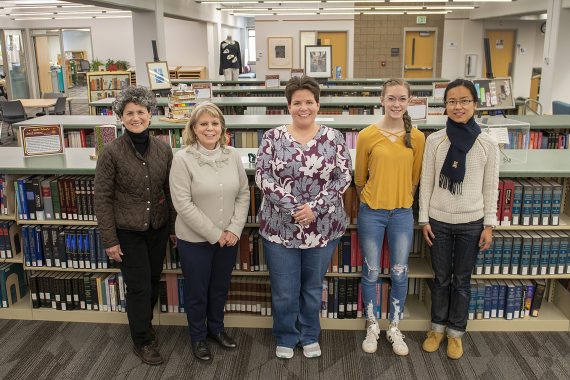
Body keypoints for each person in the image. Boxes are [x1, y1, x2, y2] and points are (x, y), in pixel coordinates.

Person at [255, 75, 352, 359]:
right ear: (288, 106)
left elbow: (344, 176)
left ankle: (309, 334)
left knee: (311, 288)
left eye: (309, 102)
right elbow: (263, 177)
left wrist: (315, 208)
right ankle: (286, 335)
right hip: (279, 228)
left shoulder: (334, 138)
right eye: (297, 102)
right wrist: (294, 208)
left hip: (322, 228)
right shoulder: (272, 138)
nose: (303, 107)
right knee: (285, 290)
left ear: (318, 105)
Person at [94, 86, 177, 366]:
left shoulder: (164, 150)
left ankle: (144, 325)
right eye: (129, 113)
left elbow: (170, 190)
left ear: (150, 115)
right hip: (127, 232)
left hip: (158, 227)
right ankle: (142, 340)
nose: (136, 117)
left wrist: (175, 228)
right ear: (121, 117)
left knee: (152, 282)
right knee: (139, 287)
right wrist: (109, 240)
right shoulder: (111, 152)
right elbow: (102, 198)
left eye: (141, 112)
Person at [419, 79, 499, 360]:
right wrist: (423, 219)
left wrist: (489, 224)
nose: (458, 106)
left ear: (475, 104)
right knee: (441, 279)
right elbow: (426, 181)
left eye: (464, 100)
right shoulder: (435, 140)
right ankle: (437, 329)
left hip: (472, 222)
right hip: (438, 220)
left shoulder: (488, 144)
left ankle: (455, 334)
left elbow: (491, 187)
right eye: (452, 101)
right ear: (445, 107)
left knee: (462, 280)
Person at [169, 102, 249, 362]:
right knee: (197, 291)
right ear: (193, 128)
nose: (210, 128)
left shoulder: (233, 155)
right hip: (195, 240)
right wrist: (216, 234)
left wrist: (235, 228)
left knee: (219, 288)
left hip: (229, 238)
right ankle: (198, 337)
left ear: (222, 128)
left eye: (215, 123)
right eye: (203, 123)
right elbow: (182, 204)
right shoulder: (182, 159)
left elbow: (243, 193)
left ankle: (216, 329)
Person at [355, 78, 426, 356]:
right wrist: (374, 199)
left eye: (402, 99)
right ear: (382, 100)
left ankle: (394, 327)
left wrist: (400, 200)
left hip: (402, 215)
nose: (397, 104)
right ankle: (372, 324)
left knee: (399, 271)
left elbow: (414, 178)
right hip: (372, 212)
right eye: (392, 98)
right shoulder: (367, 135)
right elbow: (360, 178)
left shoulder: (417, 137)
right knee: (371, 271)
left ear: (409, 102)